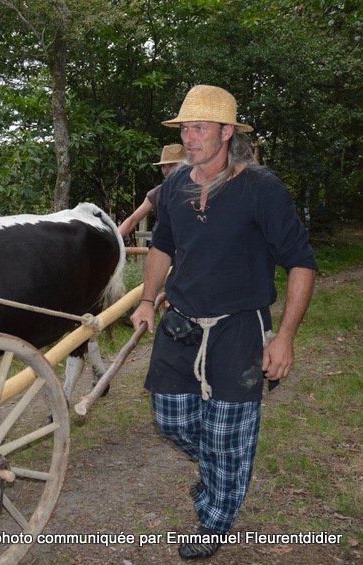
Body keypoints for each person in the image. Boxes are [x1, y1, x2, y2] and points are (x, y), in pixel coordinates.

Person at [129, 85, 317, 560]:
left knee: (228, 434)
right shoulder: (173, 185)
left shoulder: (262, 190)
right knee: (170, 418)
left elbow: (301, 263)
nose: (189, 138)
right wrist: (149, 299)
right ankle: (221, 472)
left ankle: (214, 521)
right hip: (182, 323)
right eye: (185, 128)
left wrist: (287, 337)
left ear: (226, 132)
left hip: (238, 329)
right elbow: (162, 248)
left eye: (199, 128)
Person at [119, 143, 186, 238]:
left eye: (171, 165)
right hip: (165, 247)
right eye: (163, 166)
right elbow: (132, 220)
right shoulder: (156, 193)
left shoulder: (201, 190)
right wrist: (112, 239)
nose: (166, 171)